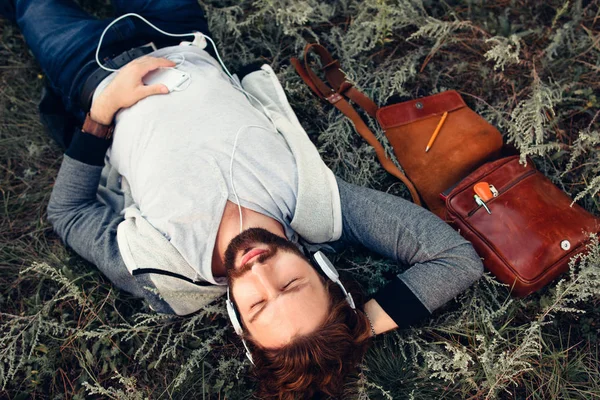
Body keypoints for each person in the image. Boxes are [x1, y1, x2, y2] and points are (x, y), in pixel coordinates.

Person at [2, 0, 484, 398]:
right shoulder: (319, 205)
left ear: (237, 321)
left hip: (90, 69)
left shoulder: (164, 278)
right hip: (179, 32)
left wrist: (102, 112)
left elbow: (67, 213)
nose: (259, 271)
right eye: (292, 285)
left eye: (256, 306)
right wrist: (354, 331)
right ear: (325, 273)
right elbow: (455, 259)